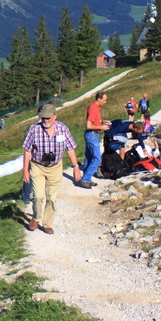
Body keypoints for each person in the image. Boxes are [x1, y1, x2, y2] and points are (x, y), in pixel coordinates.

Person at [21, 103, 81, 234]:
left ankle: (47, 223)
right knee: (38, 196)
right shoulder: (34, 129)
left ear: (55, 116)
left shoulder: (63, 129)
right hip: (37, 166)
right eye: (43, 118)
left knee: (52, 198)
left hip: (55, 167)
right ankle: (36, 218)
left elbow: (70, 149)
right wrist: (25, 170)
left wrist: (76, 167)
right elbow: (27, 151)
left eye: (48, 118)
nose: (45, 121)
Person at [79, 92, 110, 188]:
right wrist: (102, 127)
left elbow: (94, 120)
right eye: (104, 100)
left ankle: (87, 178)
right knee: (97, 158)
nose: (105, 102)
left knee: (89, 157)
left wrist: (101, 121)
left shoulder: (95, 108)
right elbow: (88, 125)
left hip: (92, 135)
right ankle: (85, 179)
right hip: (92, 134)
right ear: (99, 99)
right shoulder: (93, 108)